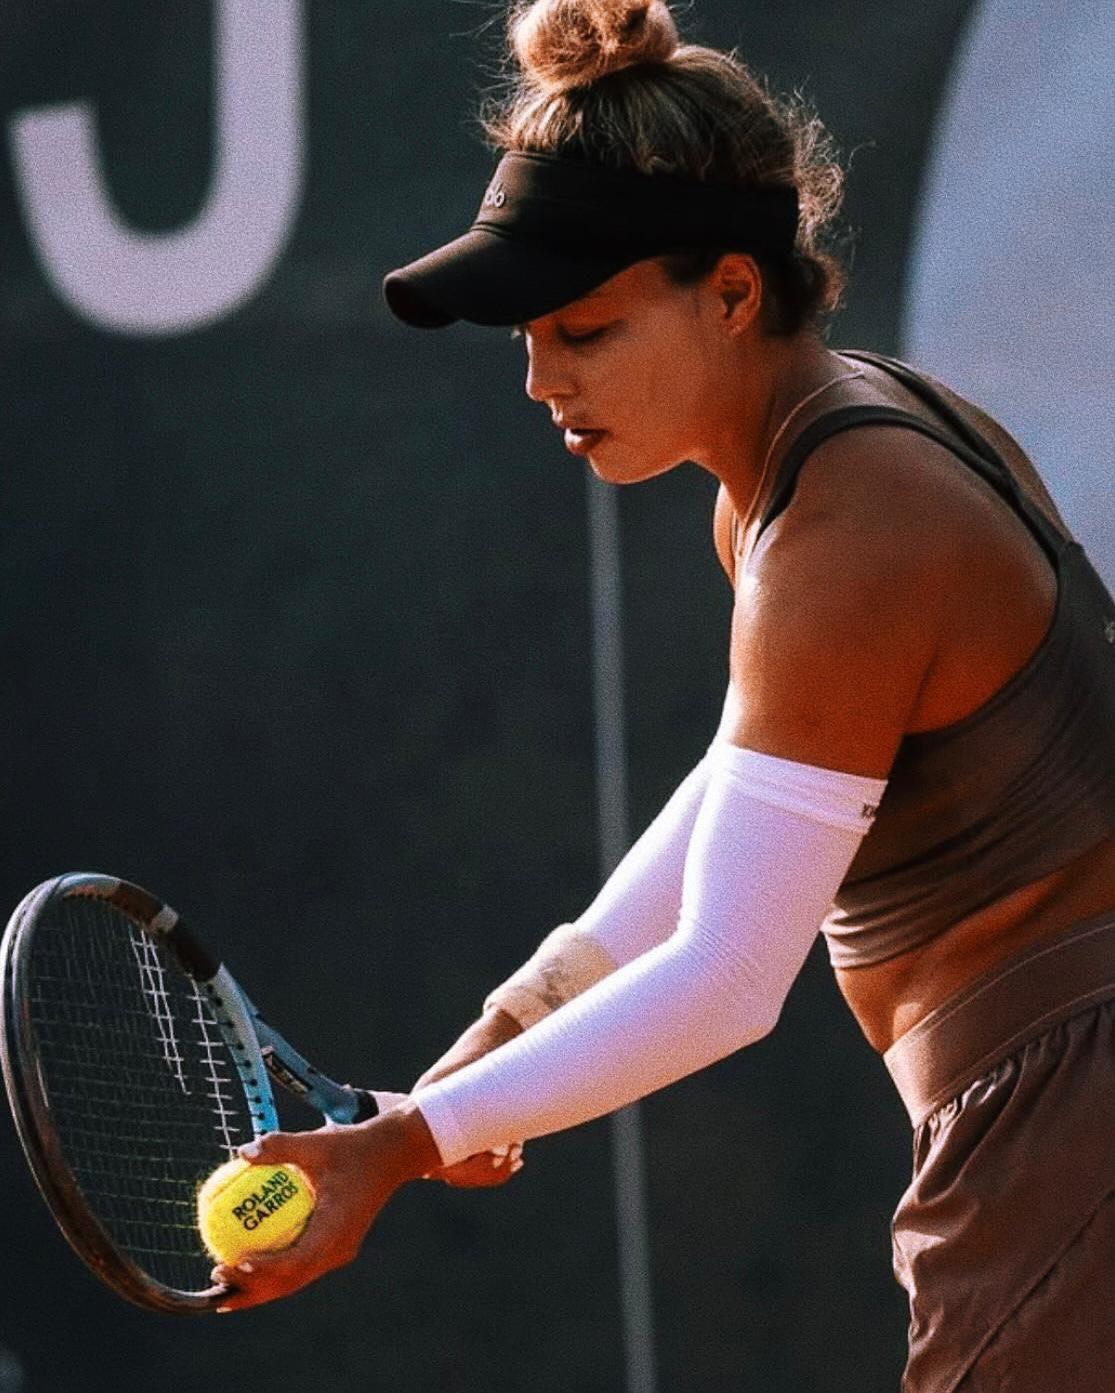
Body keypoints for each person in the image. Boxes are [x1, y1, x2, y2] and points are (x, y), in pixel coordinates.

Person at [214, 3, 1115, 1387]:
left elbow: (730, 977)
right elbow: (751, 784)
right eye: (528, 336)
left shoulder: (847, 533)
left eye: (583, 328)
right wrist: (518, 1026)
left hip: (1076, 1124)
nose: (539, 379)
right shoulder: (822, 459)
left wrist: (402, 1144)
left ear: (736, 293)